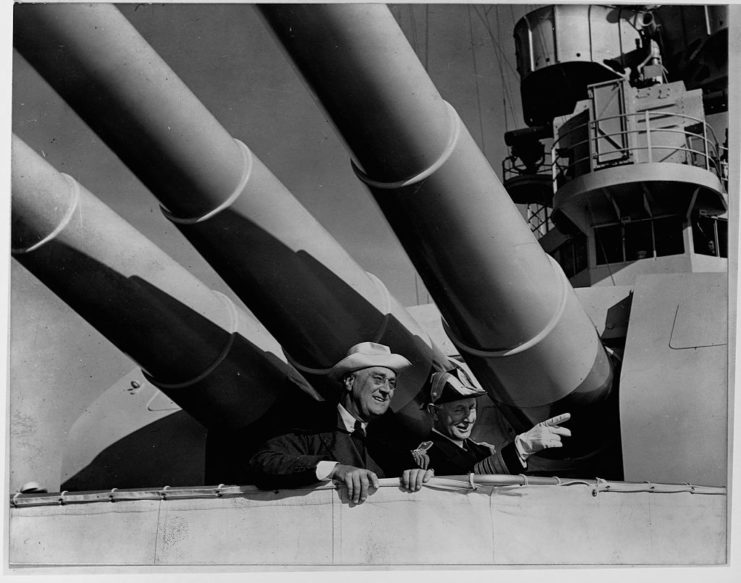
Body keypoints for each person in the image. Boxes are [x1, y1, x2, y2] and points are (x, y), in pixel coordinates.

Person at [249, 342, 434, 504]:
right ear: (349, 381)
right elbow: (263, 463)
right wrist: (335, 469)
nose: (386, 390)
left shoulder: (393, 437)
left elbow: (411, 474)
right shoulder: (310, 422)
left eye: (392, 383)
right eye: (378, 379)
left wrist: (416, 475)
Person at [412, 367, 572, 475]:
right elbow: (465, 482)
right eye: (459, 409)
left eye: (472, 407)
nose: (469, 418)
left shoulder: (483, 450)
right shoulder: (425, 456)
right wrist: (521, 448)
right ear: (434, 412)